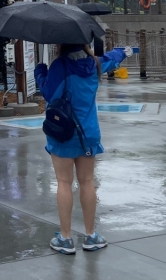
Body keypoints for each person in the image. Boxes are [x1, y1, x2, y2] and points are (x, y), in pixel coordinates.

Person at [34, 40, 128, 254]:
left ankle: (66, 238)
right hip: (88, 133)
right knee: (87, 182)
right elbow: (112, 59)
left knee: (64, 182)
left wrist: (40, 71)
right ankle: (91, 235)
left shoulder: (60, 66)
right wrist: (124, 51)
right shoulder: (94, 63)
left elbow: (48, 93)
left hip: (63, 132)